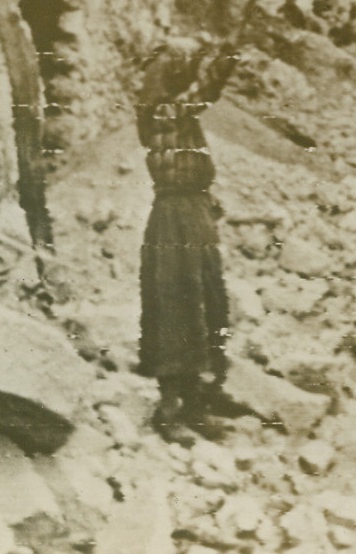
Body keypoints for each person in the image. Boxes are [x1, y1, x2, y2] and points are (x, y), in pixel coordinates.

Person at [136, 35, 243, 447]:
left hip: (192, 213)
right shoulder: (165, 111)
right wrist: (225, 55)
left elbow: (201, 86)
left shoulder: (172, 112)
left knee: (206, 301)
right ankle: (171, 410)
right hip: (176, 219)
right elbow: (205, 89)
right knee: (179, 307)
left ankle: (201, 399)